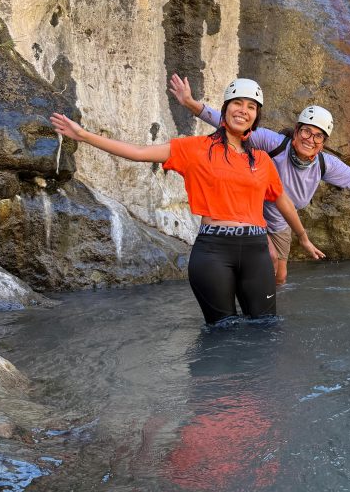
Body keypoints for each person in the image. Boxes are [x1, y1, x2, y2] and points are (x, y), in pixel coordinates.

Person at [50, 78, 324, 325]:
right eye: (237, 103)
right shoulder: (194, 148)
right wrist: (83, 135)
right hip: (214, 251)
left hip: (256, 251)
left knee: (265, 328)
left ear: (256, 117)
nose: (244, 110)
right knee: (222, 333)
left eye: (251, 107)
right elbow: (138, 152)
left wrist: (303, 237)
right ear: (225, 109)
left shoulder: (262, 160)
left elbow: (282, 201)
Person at [168, 74, 350, 284]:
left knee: (280, 277)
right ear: (296, 131)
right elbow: (232, 123)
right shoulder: (274, 143)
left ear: (323, 143)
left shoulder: (325, 164)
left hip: (281, 222)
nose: (310, 139)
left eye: (318, 136)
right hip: (251, 213)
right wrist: (190, 103)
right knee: (267, 258)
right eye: (306, 132)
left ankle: (268, 302)